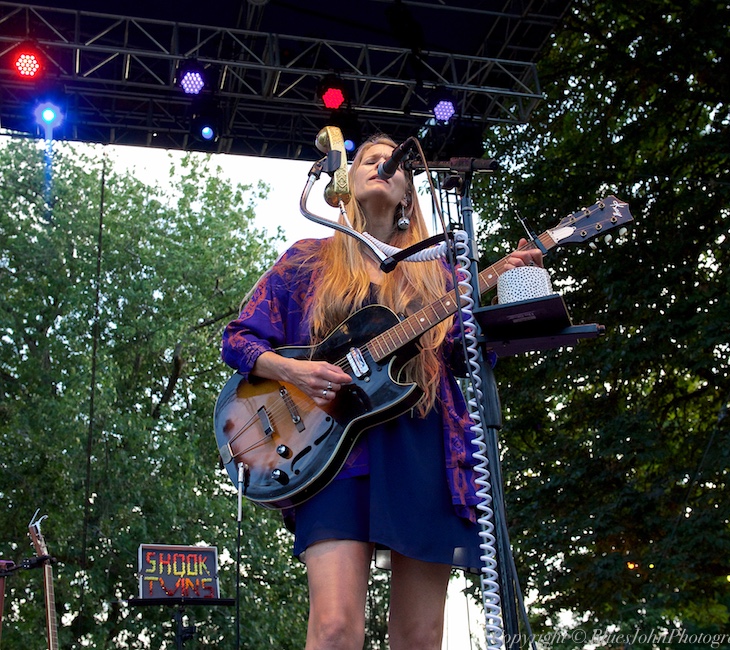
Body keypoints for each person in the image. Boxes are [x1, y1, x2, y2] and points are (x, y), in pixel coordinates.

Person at [221, 134, 543, 649]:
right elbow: (238, 339)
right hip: (332, 449)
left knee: (419, 637)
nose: (382, 165)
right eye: (368, 159)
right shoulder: (308, 260)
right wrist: (293, 371)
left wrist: (511, 287)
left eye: (393, 164)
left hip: (422, 443)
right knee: (333, 629)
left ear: (408, 196)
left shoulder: (440, 272)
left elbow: (467, 358)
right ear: (345, 184)